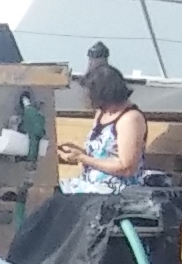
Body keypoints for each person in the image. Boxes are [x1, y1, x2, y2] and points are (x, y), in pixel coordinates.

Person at [62, 57, 151, 189]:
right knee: (46, 192)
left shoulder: (130, 119)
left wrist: (83, 158)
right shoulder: (102, 113)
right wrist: (77, 153)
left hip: (116, 190)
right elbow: (102, 156)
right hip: (90, 184)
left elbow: (126, 168)